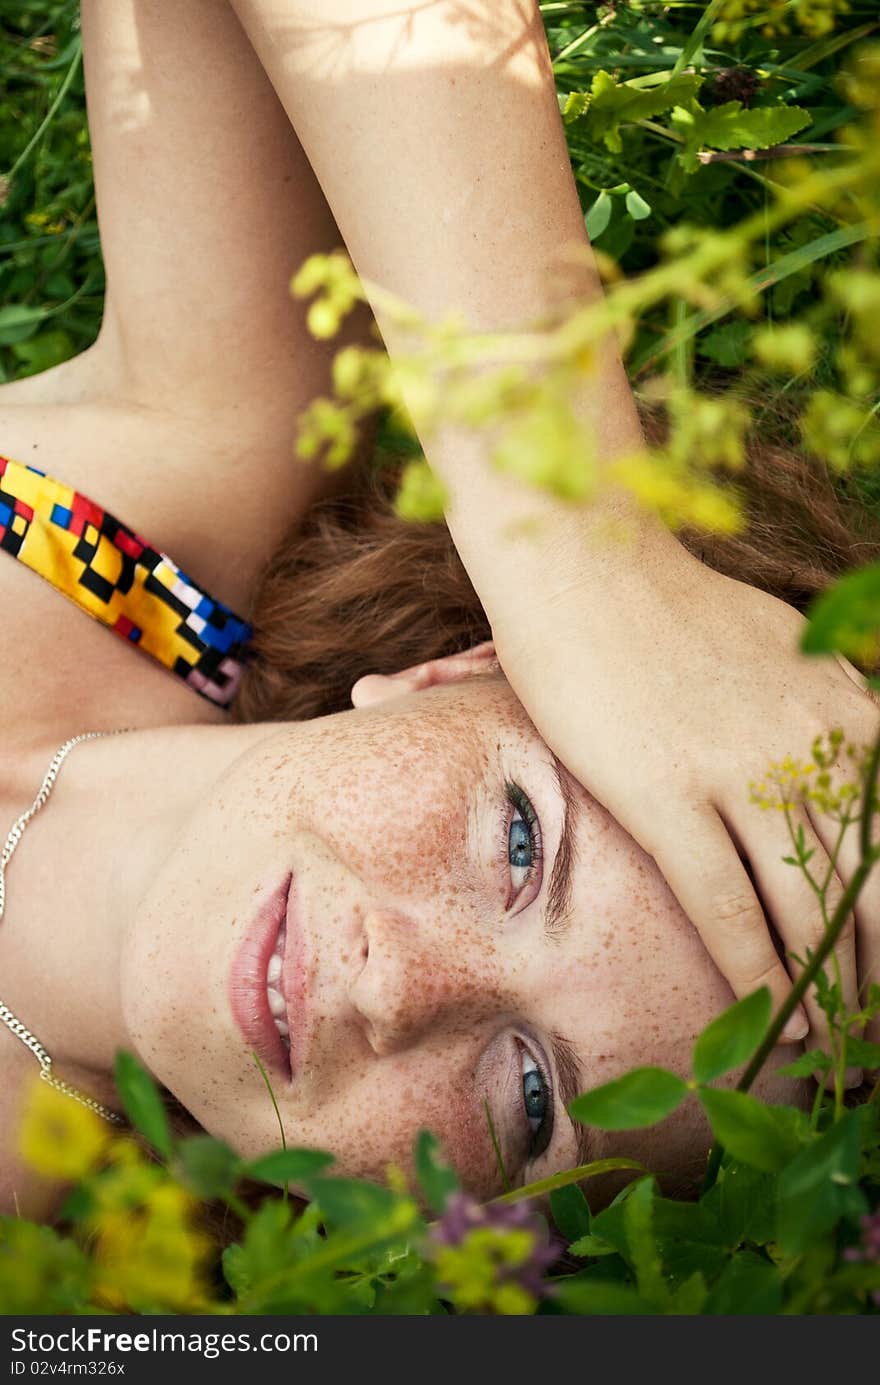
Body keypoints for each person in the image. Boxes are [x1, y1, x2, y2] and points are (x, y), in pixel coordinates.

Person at [0, 0, 873, 1221]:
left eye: (528, 1098)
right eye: (520, 842)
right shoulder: (174, 500)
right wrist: (586, 558)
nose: (400, 988)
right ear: (460, 665)